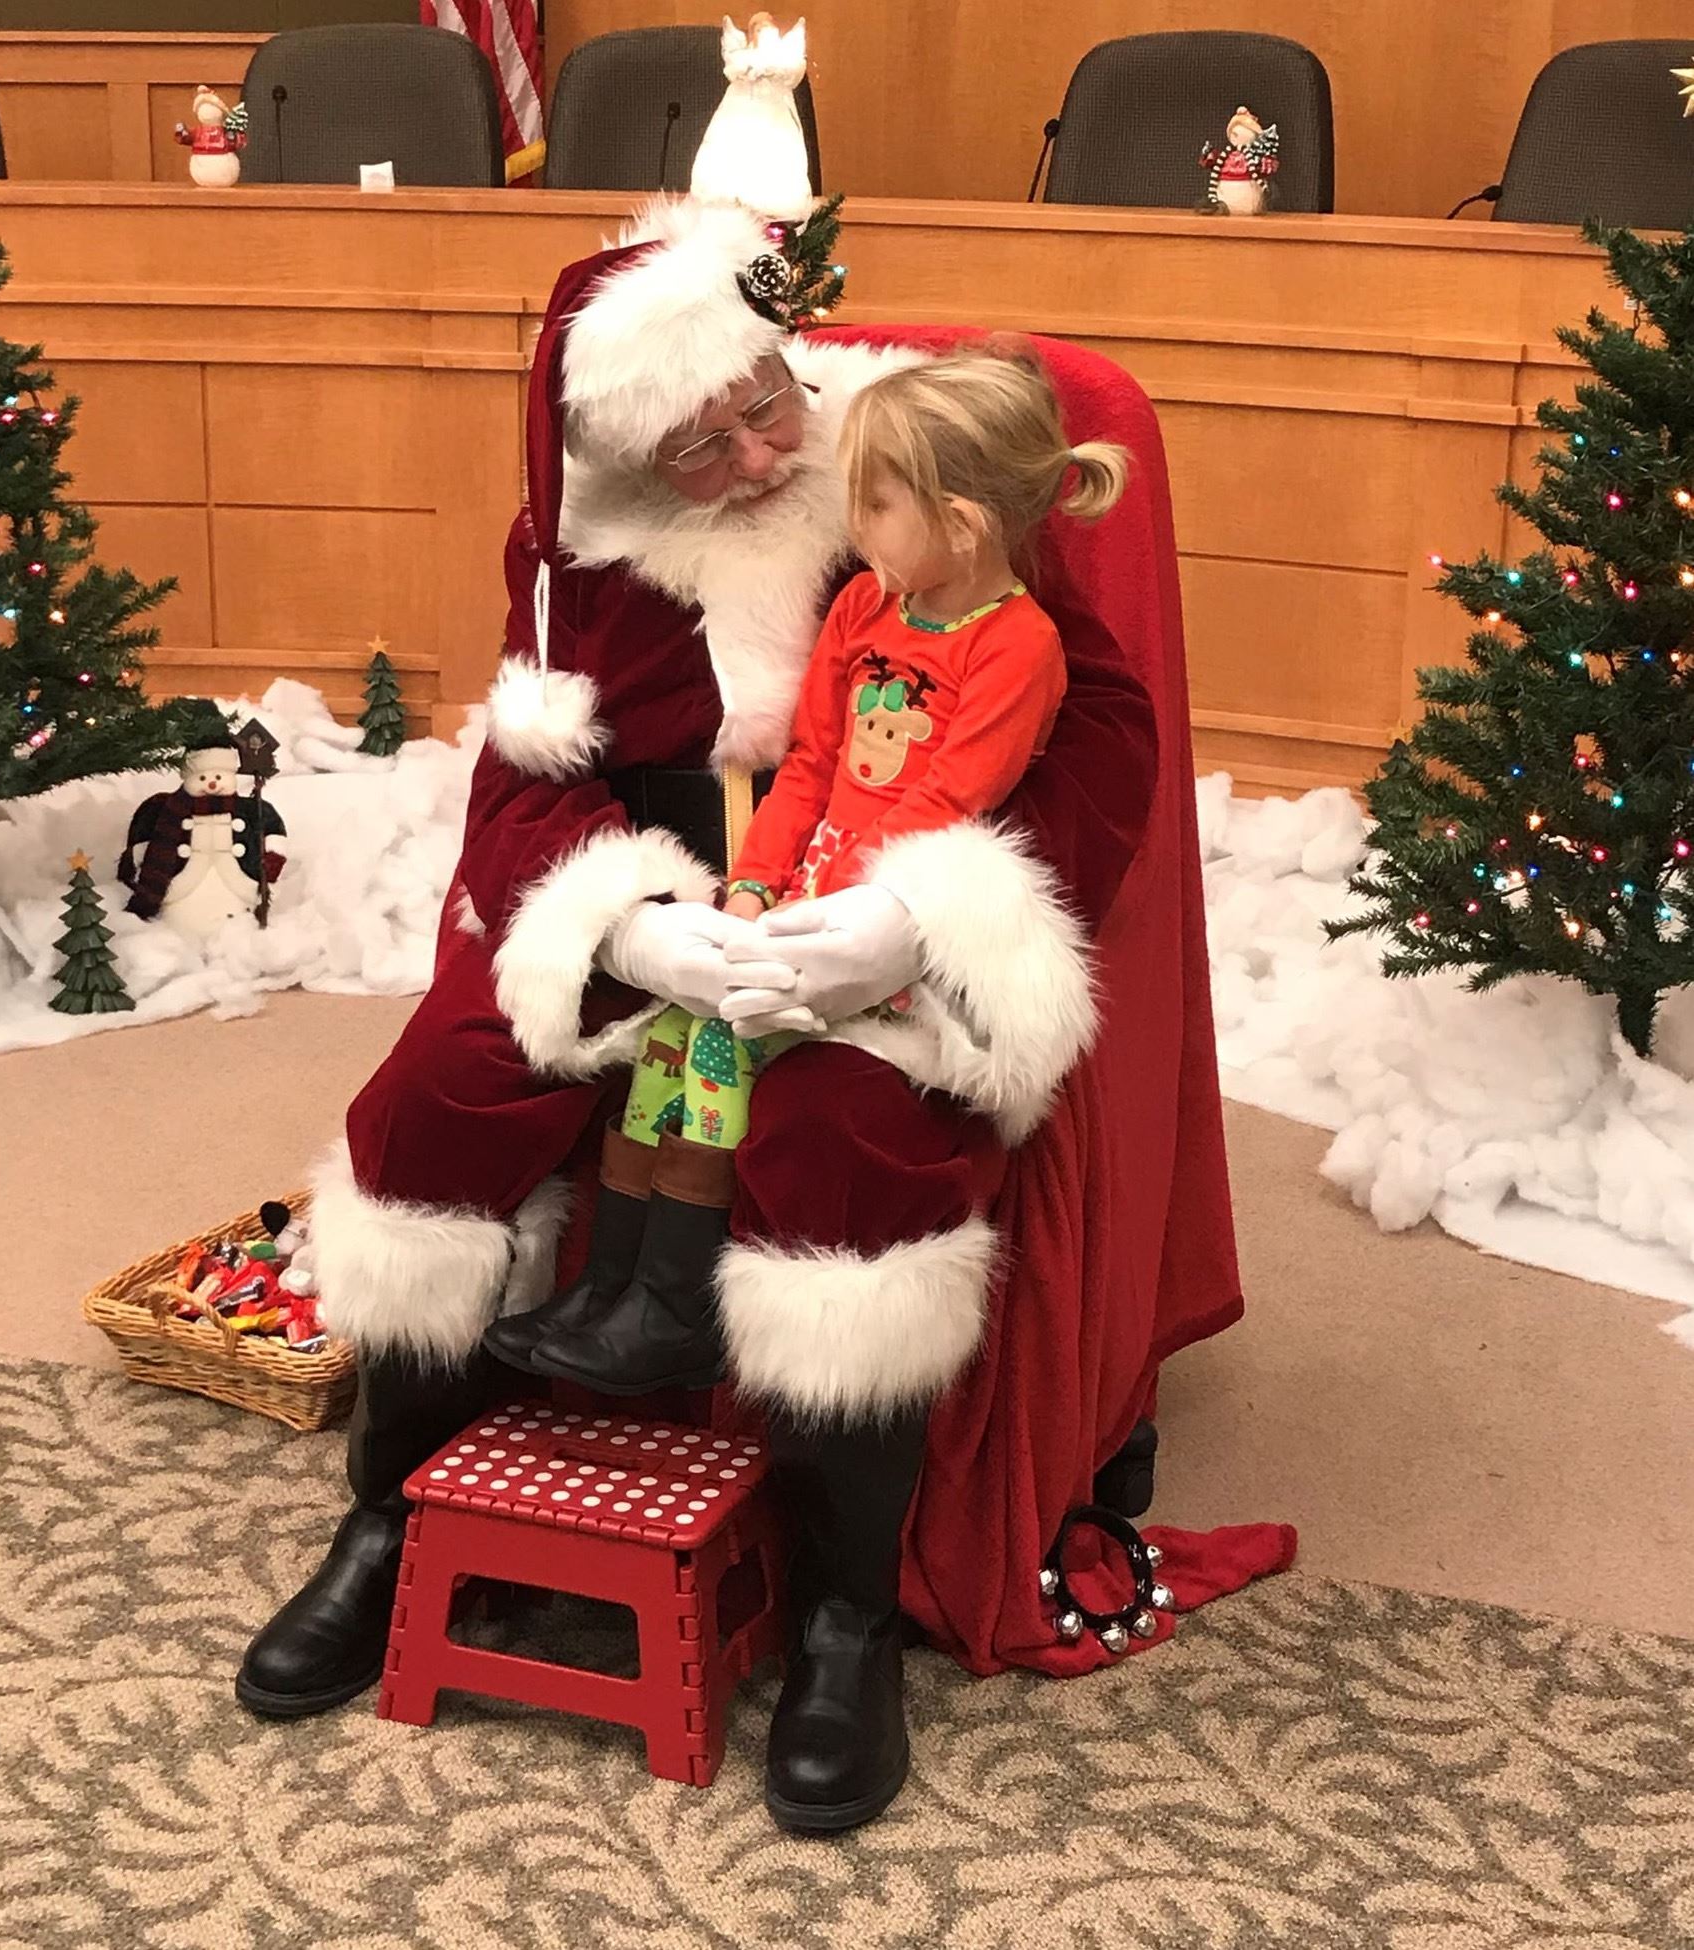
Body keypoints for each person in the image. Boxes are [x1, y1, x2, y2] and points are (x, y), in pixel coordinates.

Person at [235, 24, 1292, 1837]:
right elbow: (525, 789)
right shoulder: (577, 553)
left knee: (844, 1134)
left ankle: (841, 1617)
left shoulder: (901, 471)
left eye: (758, 408)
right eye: (695, 442)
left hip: (877, 897)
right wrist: (628, 931)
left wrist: (909, 923)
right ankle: (385, 1520)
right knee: (436, 1095)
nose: (745, 453)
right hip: (668, 894)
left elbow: (1097, 725)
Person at [492, 348, 1129, 1399]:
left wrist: (822, 922)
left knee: (713, 1056)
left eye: (874, 504)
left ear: (961, 525)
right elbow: (810, 768)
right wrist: (749, 890)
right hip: (796, 903)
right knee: (663, 1043)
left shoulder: (1017, 648)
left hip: (878, 934)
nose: (853, 523)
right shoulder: (862, 610)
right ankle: (607, 1289)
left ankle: (672, 1315)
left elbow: (944, 800)